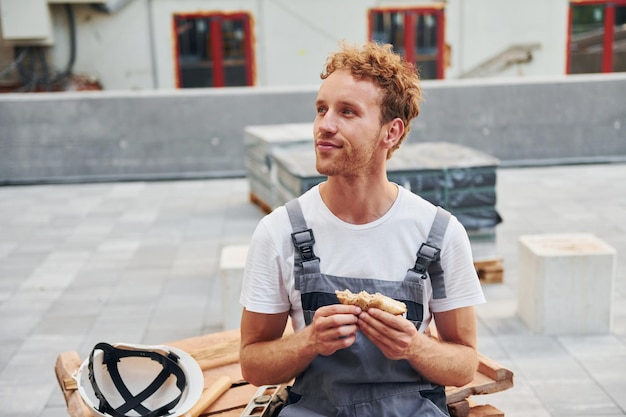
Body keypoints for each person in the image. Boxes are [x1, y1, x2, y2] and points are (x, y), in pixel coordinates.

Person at [239, 41, 486, 417]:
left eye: (347, 112)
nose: (325, 125)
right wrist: (309, 342)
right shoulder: (280, 232)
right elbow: (253, 365)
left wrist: (414, 347)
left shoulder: (438, 234)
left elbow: (465, 364)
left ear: (391, 132)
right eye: (321, 109)